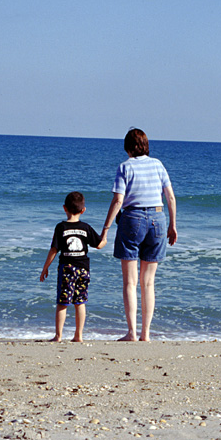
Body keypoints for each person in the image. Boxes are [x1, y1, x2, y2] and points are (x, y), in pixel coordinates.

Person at [101, 128, 177, 342]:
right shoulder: (158, 164)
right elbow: (170, 197)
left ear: (128, 147)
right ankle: (146, 334)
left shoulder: (125, 167)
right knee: (148, 283)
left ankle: (132, 333)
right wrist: (173, 225)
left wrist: (106, 229)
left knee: (130, 282)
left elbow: (118, 200)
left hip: (132, 219)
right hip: (158, 218)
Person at [40, 191, 106, 342]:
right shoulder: (86, 227)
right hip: (83, 269)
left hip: (67, 268)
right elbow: (100, 245)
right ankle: (79, 335)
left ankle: (58, 336)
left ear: (65, 208)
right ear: (83, 210)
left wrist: (45, 268)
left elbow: (54, 249)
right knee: (80, 302)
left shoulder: (61, 227)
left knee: (63, 303)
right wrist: (105, 235)